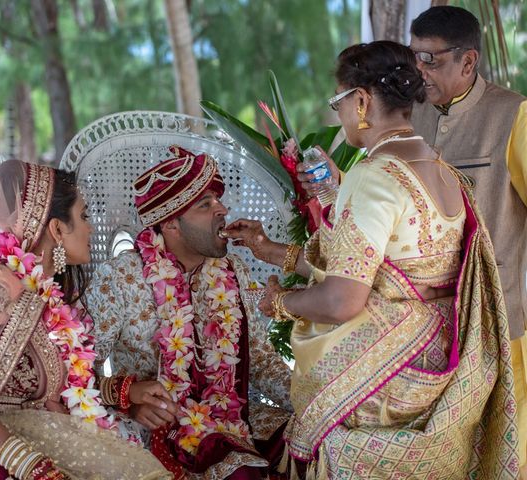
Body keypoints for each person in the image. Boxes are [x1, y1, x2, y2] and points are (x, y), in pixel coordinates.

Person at [225, 41, 519, 478]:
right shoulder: (442, 171)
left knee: (305, 416)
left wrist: (281, 303)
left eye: (338, 102)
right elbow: (387, 268)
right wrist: (276, 247)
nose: (338, 115)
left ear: (361, 100)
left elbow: (343, 299)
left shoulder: (374, 175)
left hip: (392, 369)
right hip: (439, 356)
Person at [0, 159, 171, 480]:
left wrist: (122, 392)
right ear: (57, 229)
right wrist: (31, 466)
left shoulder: (44, 292)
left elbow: (51, 389)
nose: (92, 227)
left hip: (43, 436)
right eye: (84, 216)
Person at [92, 146, 292, 480]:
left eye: (218, 200)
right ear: (171, 224)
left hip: (240, 418)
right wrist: (128, 396)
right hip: (165, 432)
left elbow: (261, 363)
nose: (223, 209)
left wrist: (314, 403)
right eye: (206, 205)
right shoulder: (122, 277)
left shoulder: (233, 270)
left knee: (319, 444)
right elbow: (73, 371)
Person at [408, 7, 527, 474]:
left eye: (430, 60)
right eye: (414, 58)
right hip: (423, 326)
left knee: (505, 455)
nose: (420, 70)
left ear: (468, 61)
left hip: (497, 322)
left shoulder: (512, 115)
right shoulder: (409, 117)